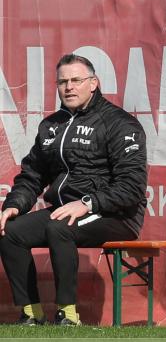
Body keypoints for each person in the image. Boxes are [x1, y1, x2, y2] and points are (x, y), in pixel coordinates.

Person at [0, 54, 147, 326]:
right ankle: (31, 315)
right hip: (67, 210)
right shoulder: (51, 126)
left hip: (116, 215)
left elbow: (132, 187)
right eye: (62, 82)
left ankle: (67, 314)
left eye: (76, 80)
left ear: (93, 83)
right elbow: (33, 174)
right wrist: (14, 204)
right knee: (10, 232)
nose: (68, 87)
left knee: (60, 227)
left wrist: (87, 203)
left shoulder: (119, 123)